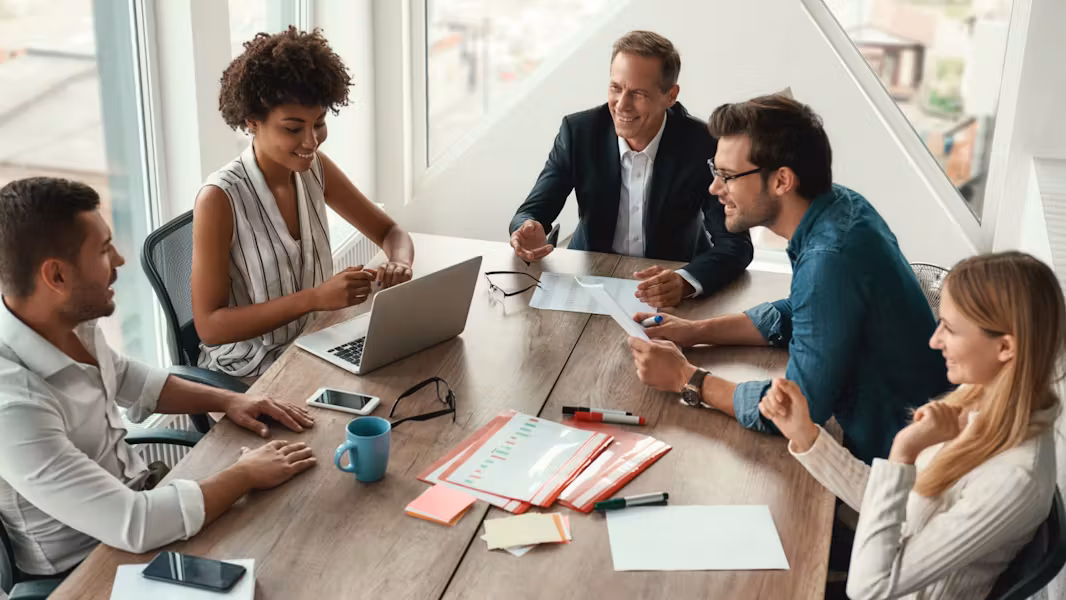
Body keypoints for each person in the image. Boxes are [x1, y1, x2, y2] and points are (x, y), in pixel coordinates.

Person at [0, 178, 317, 578]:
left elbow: (133, 379)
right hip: (88, 566)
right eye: (102, 250)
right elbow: (135, 525)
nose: (118, 259)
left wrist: (230, 400)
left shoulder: (67, 322)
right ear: (56, 277)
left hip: (142, 501)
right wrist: (245, 475)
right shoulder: (13, 408)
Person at [628, 94, 949, 463]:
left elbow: (794, 410)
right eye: (715, 172)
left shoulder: (829, 260)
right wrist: (696, 331)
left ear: (782, 180)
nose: (715, 189)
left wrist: (687, 379)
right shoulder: (842, 207)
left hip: (890, 463)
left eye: (727, 177)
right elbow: (803, 311)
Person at [760, 252, 1061, 600]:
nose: (935, 341)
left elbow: (869, 588)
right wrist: (805, 435)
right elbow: (895, 507)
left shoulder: (1013, 479)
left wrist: (904, 451)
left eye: (949, 328)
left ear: (1005, 347)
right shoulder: (978, 397)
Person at [192, 27, 415, 377]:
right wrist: (314, 298)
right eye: (293, 129)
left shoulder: (315, 169)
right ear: (252, 121)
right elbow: (210, 327)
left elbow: (390, 231)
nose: (311, 142)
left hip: (317, 344)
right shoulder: (220, 198)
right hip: (251, 372)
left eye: (320, 124)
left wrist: (399, 262)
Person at [508, 30, 753, 308]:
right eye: (616, 88)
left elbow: (736, 245)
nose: (622, 104)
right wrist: (527, 229)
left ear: (670, 96)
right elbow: (530, 212)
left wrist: (685, 281)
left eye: (638, 93)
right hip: (588, 280)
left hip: (668, 283)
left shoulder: (703, 143)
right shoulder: (579, 133)